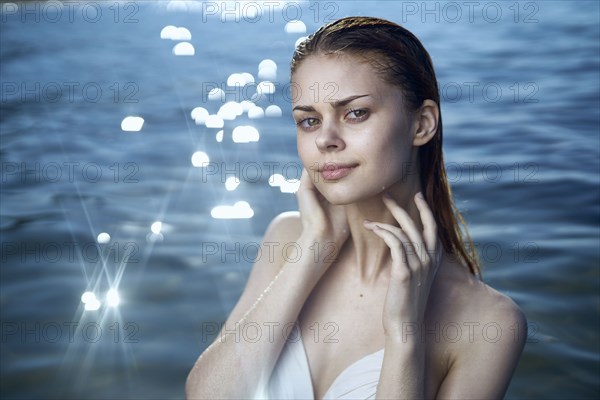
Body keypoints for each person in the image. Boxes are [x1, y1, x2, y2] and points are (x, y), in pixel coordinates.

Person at [186, 16, 527, 399]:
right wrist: (314, 245)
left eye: (355, 113)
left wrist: (404, 331)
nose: (325, 140)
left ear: (422, 124)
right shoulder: (287, 238)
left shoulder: (489, 321)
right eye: (309, 120)